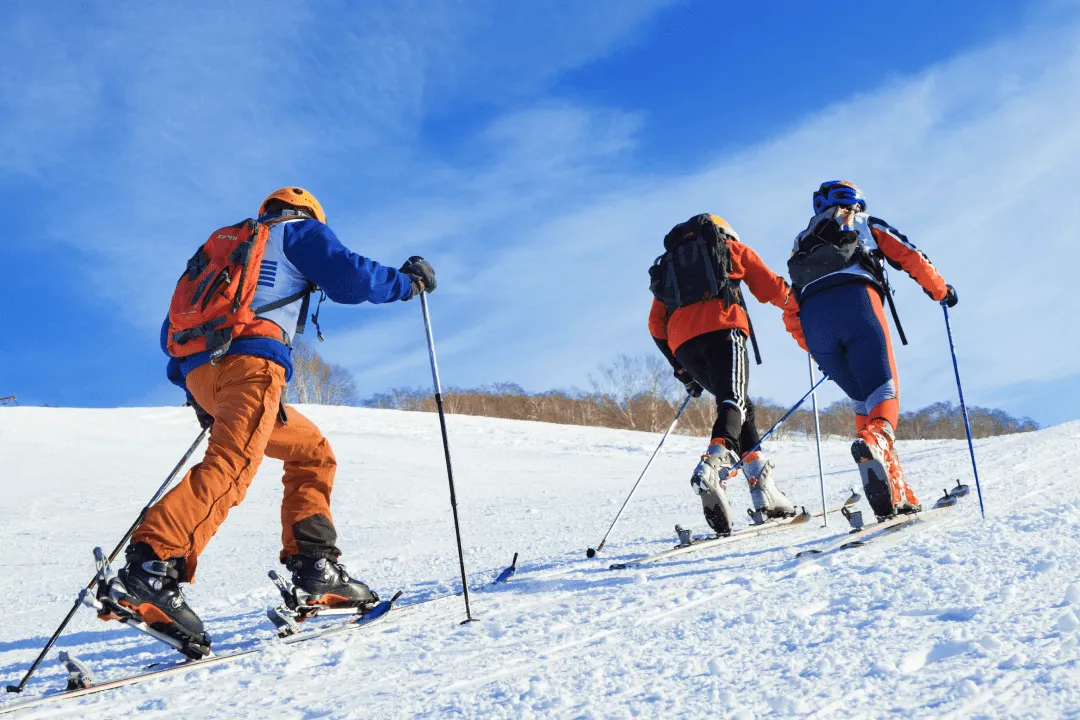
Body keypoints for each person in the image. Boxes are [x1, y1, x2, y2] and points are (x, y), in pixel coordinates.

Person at [112, 187, 436, 650]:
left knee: (311, 452)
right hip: (251, 366)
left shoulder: (223, 251)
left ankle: (316, 567)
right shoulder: (296, 231)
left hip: (202, 373)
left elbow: (174, 329)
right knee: (233, 466)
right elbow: (351, 279)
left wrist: (198, 392)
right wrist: (406, 284)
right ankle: (152, 564)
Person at [784, 180, 957, 521]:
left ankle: (897, 492)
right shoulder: (865, 223)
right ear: (857, 201)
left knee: (865, 403)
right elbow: (910, 255)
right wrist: (941, 291)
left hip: (815, 325)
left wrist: (819, 352)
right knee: (885, 394)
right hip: (858, 304)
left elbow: (791, 309)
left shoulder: (802, 242)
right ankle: (878, 446)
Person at [649, 214, 803, 536]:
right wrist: (797, 302)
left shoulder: (669, 266)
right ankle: (713, 467)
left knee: (743, 405)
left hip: (683, 345)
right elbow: (768, 286)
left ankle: (763, 487)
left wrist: (682, 370)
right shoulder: (728, 247)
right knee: (733, 401)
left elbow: (655, 325)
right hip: (723, 328)